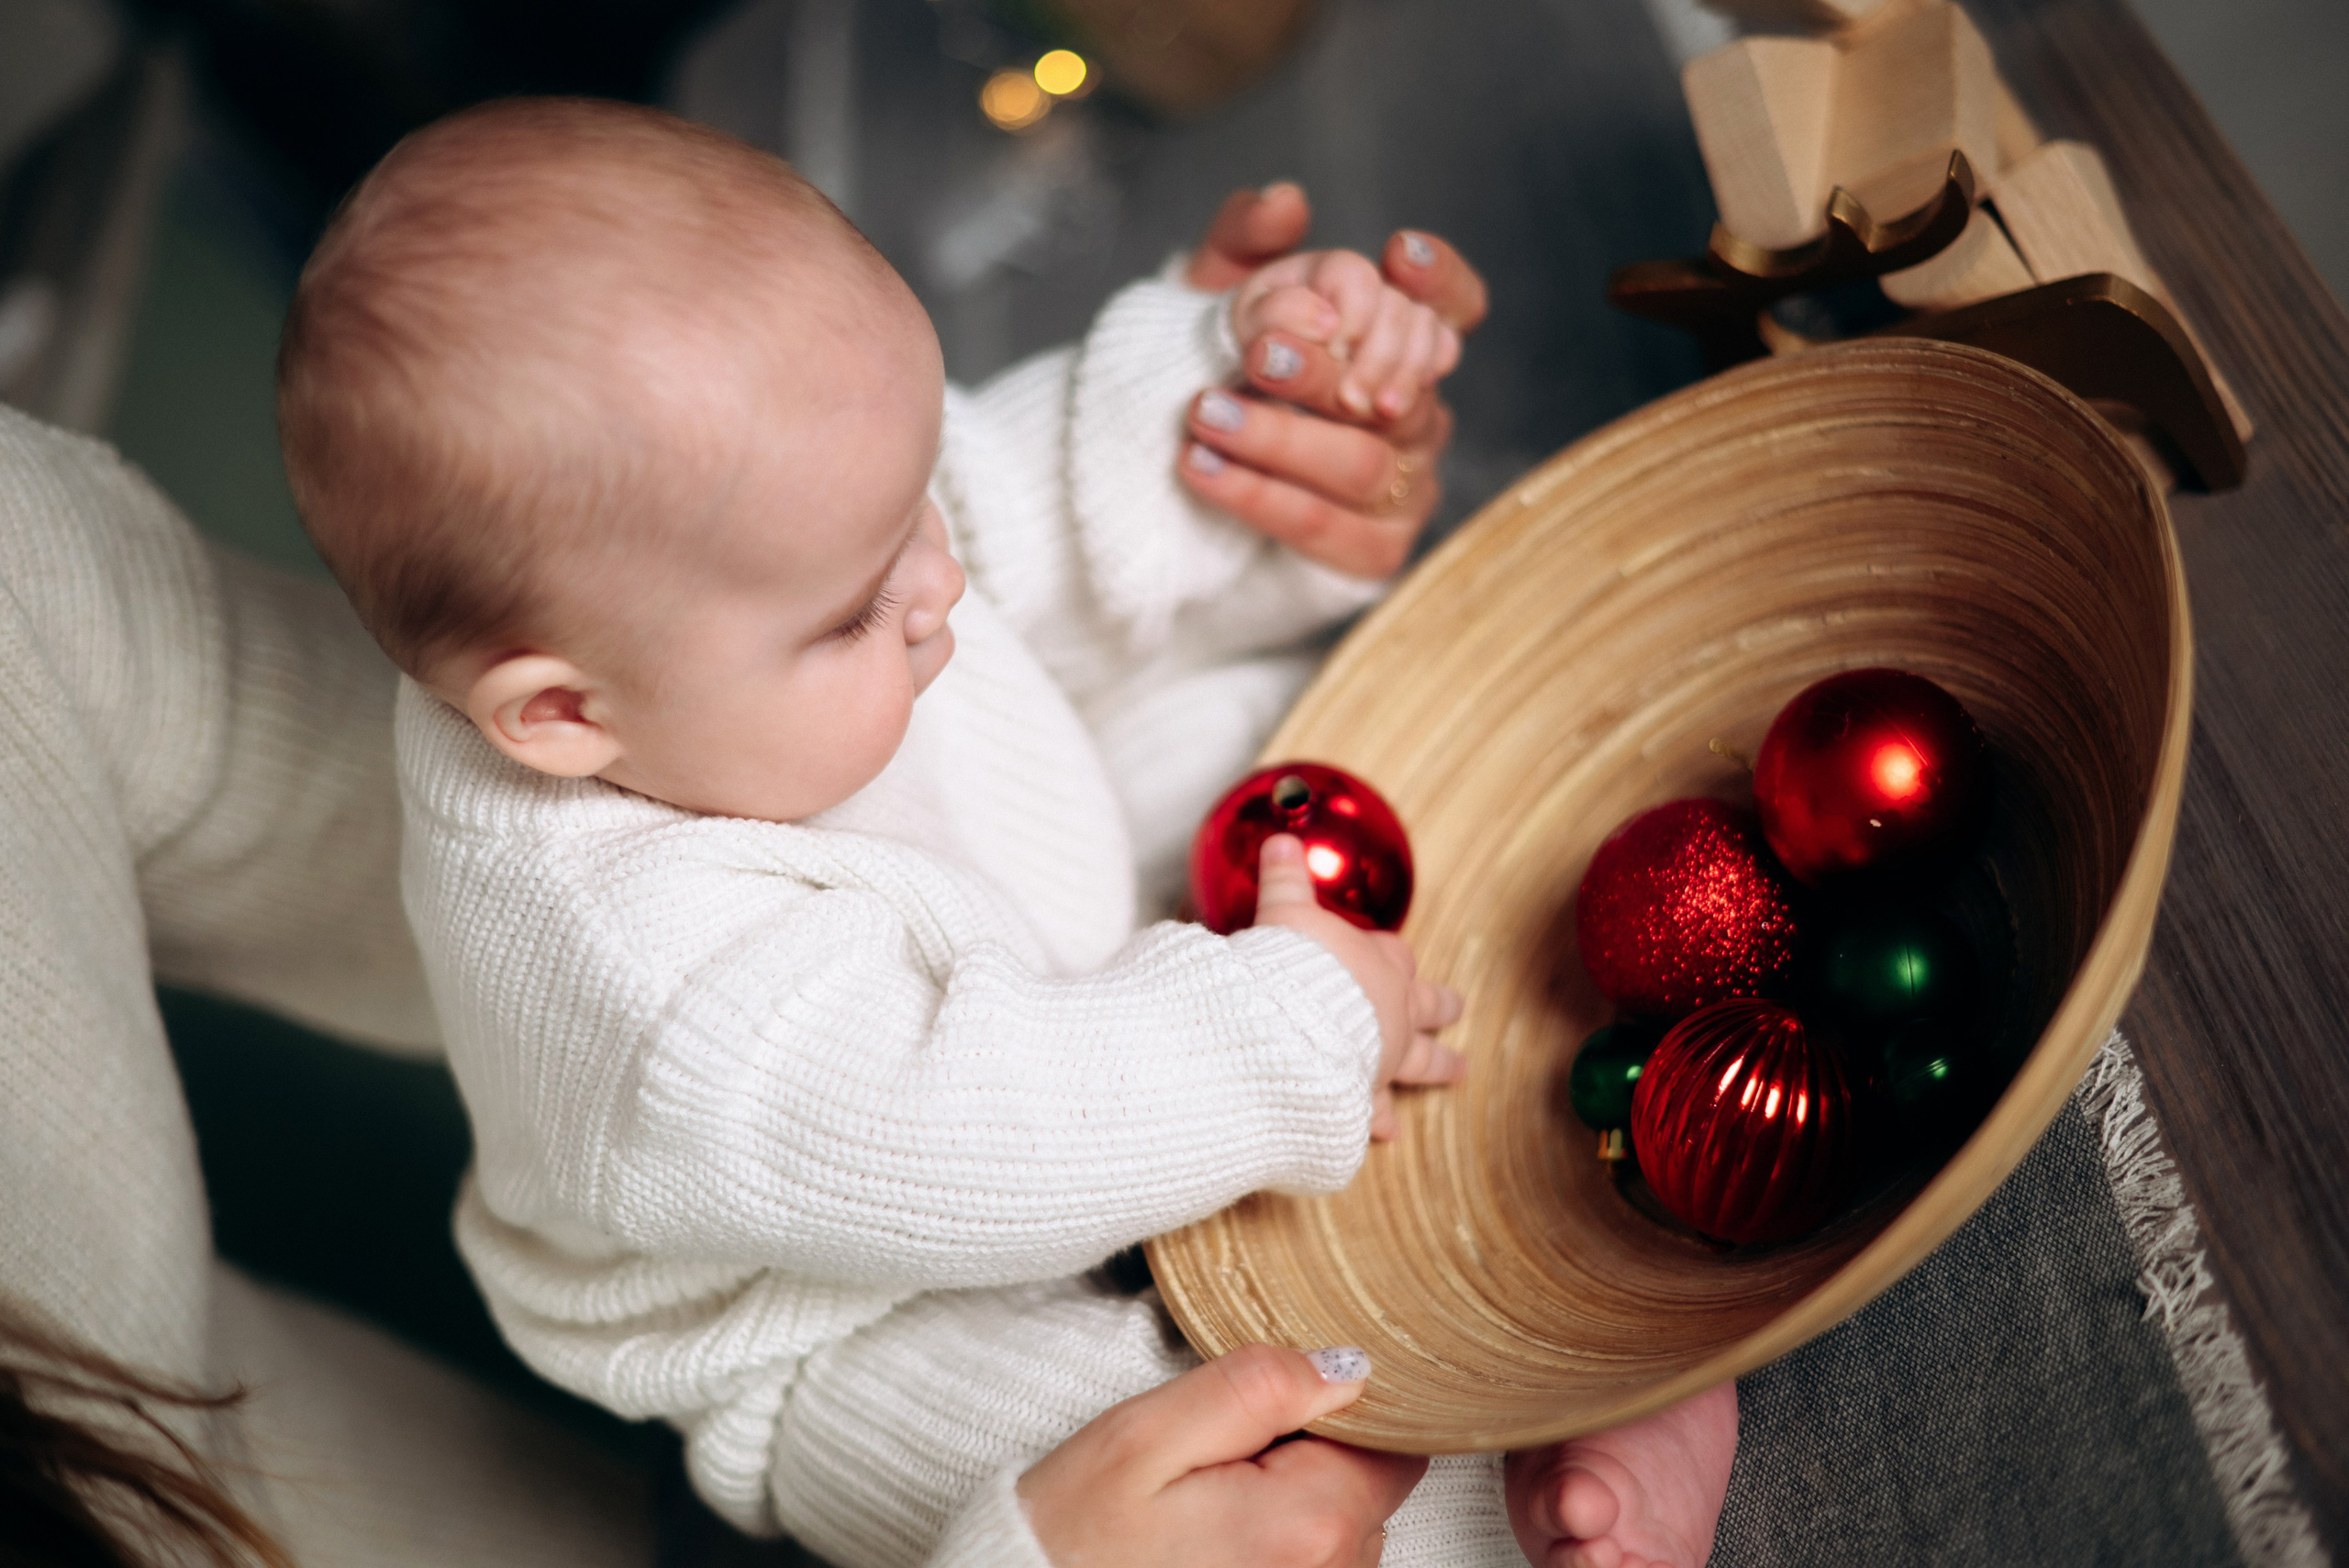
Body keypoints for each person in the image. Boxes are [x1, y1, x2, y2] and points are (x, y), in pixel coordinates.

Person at [276, 98, 1734, 1568]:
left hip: (1034, 910)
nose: (937, 579)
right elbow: (979, 1123)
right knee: (1191, 1444)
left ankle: (1575, 1228)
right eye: (853, 607)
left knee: (1299, 740)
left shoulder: (745, 574)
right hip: (857, 1307)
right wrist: (1278, 1027)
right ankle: (1536, 1485)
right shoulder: (643, 996)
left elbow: (1006, 483)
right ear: (561, 718)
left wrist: (1224, 370)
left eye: (910, 501)